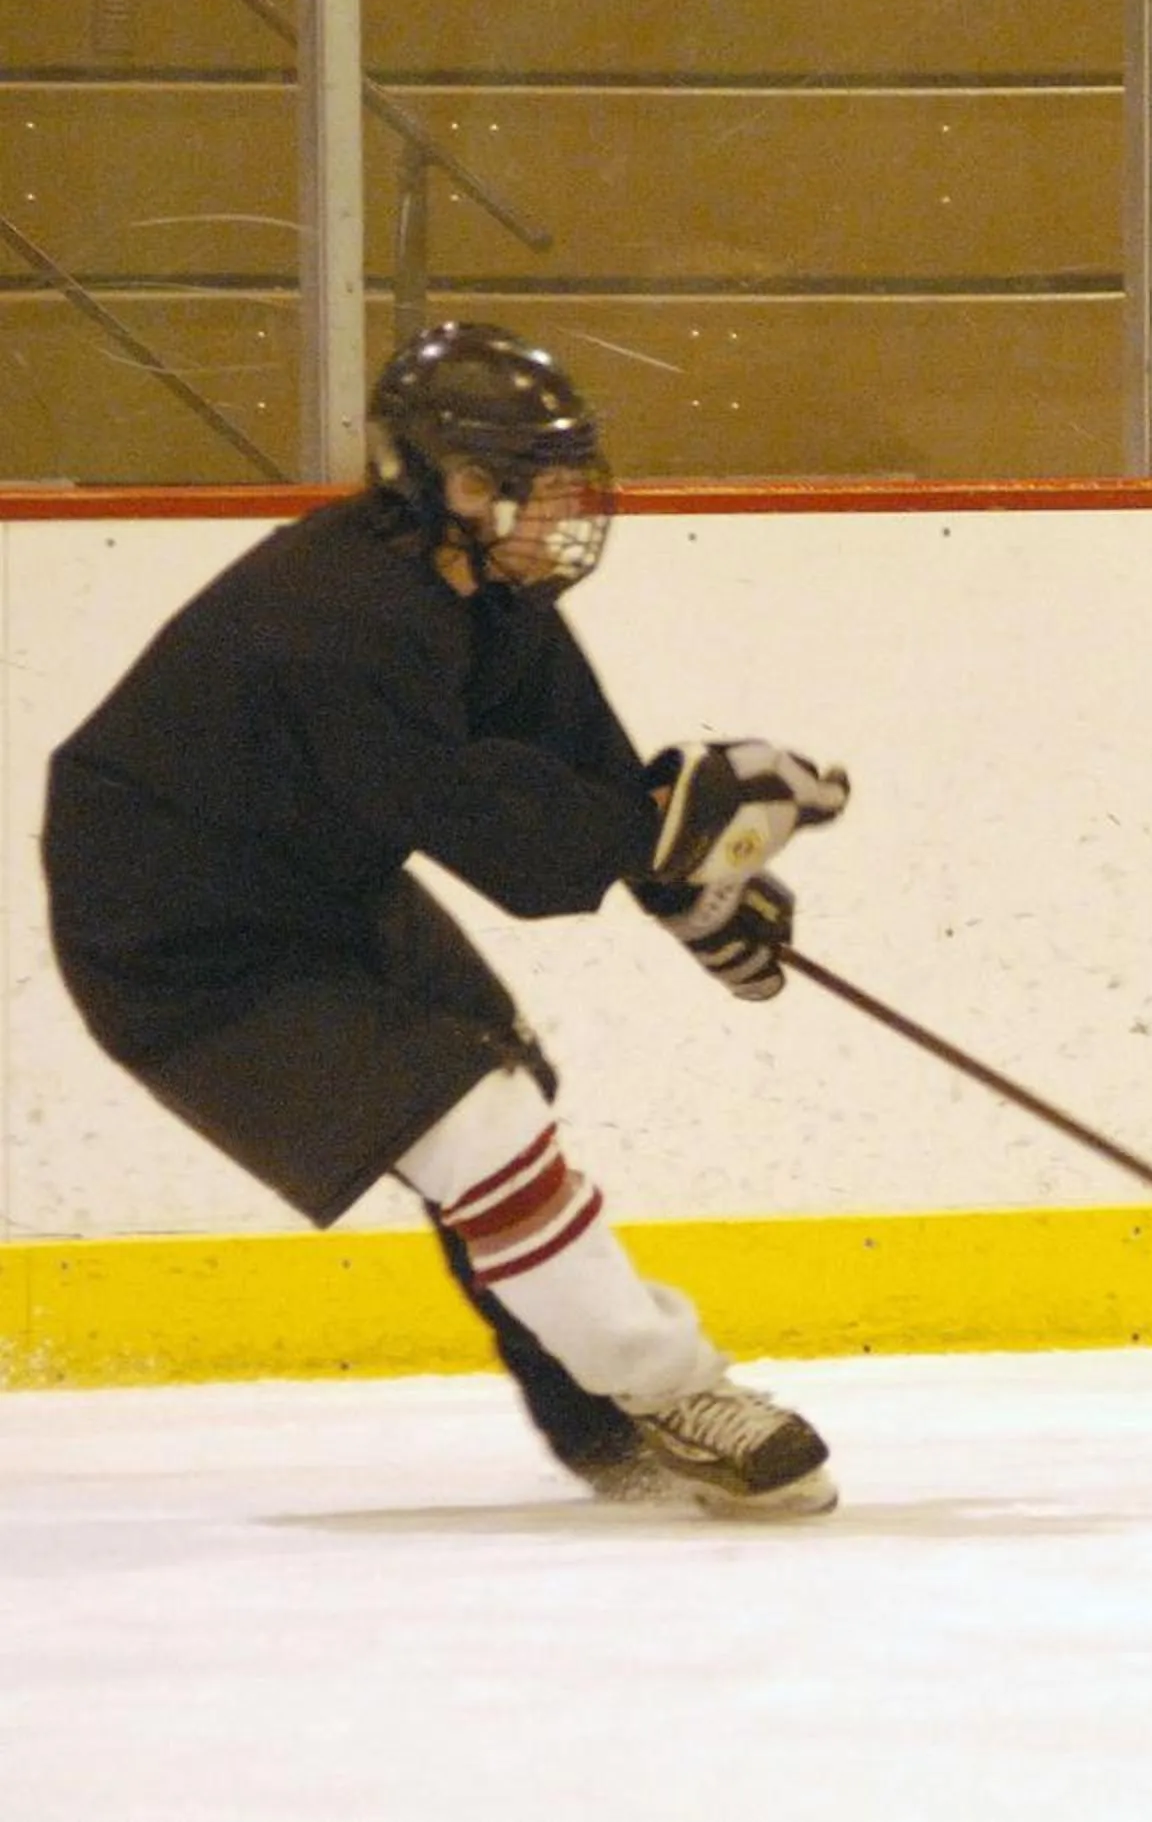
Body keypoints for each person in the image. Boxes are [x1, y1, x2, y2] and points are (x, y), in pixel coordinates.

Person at [41, 321, 855, 1516]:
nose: (563, 509)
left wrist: (682, 883)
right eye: (530, 483)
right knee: (476, 1119)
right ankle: (671, 1390)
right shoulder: (337, 620)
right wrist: (666, 838)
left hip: (319, 883)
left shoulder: (485, 582)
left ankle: (603, 1430)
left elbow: (566, 755)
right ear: (450, 482)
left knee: (497, 1080)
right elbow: (487, 829)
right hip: (177, 933)